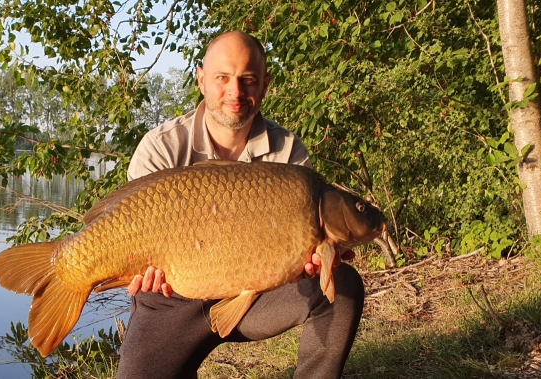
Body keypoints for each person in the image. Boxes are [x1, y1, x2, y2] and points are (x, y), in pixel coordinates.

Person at [117, 30, 365, 379]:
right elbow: (132, 234)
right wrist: (141, 271)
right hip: (170, 301)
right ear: (202, 80)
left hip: (257, 298)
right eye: (223, 78)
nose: (235, 92)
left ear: (264, 85)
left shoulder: (287, 153)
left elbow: (309, 256)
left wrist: (309, 262)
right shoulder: (161, 147)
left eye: (247, 80)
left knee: (344, 287)